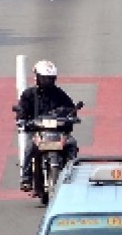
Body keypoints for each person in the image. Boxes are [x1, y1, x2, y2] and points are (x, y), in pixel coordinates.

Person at [16, 60, 77, 192]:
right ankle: (26, 178)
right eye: (44, 78)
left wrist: (70, 115)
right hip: (38, 132)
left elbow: (70, 108)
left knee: (72, 144)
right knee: (30, 147)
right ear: (37, 77)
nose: (47, 82)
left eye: (50, 79)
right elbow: (22, 110)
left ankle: (74, 176)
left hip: (59, 132)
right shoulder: (29, 94)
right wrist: (22, 119)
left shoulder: (59, 94)